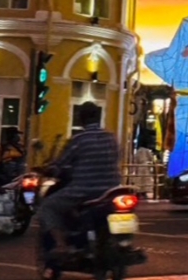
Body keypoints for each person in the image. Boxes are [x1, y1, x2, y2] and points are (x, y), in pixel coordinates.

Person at [38, 102, 120, 272]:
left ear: (80, 118)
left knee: (48, 206)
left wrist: (50, 169)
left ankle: (61, 245)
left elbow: (60, 164)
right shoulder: (111, 138)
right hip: (111, 190)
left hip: (84, 190)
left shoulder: (78, 140)